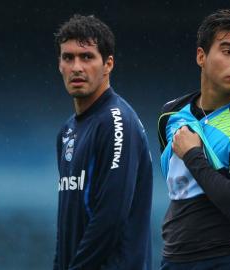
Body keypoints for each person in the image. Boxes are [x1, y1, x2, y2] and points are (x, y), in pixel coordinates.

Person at [158, 9, 230, 270]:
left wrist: (192, 155)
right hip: (173, 259)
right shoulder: (170, 115)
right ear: (201, 56)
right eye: (228, 51)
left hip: (225, 260)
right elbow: (179, 189)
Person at [54, 14, 152, 270]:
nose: (76, 67)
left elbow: (111, 218)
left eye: (87, 57)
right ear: (59, 64)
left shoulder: (117, 122)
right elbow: (66, 226)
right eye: (68, 57)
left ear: (108, 64)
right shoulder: (66, 131)